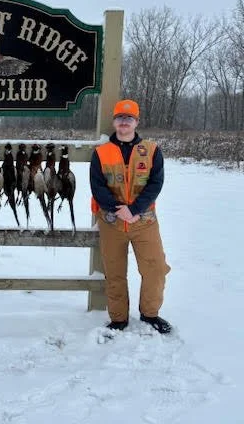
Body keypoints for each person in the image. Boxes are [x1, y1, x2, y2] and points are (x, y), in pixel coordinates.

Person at [89, 99, 172, 334]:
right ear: (114, 121)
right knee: (115, 272)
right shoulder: (102, 153)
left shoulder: (152, 150)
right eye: (120, 118)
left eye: (129, 118)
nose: (124, 122)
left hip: (144, 222)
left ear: (136, 121)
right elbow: (98, 186)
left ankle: (150, 314)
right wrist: (119, 210)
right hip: (112, 222)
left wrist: (134, 210)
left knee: (155, 269)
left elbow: (156, 183)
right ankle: (118, 318)